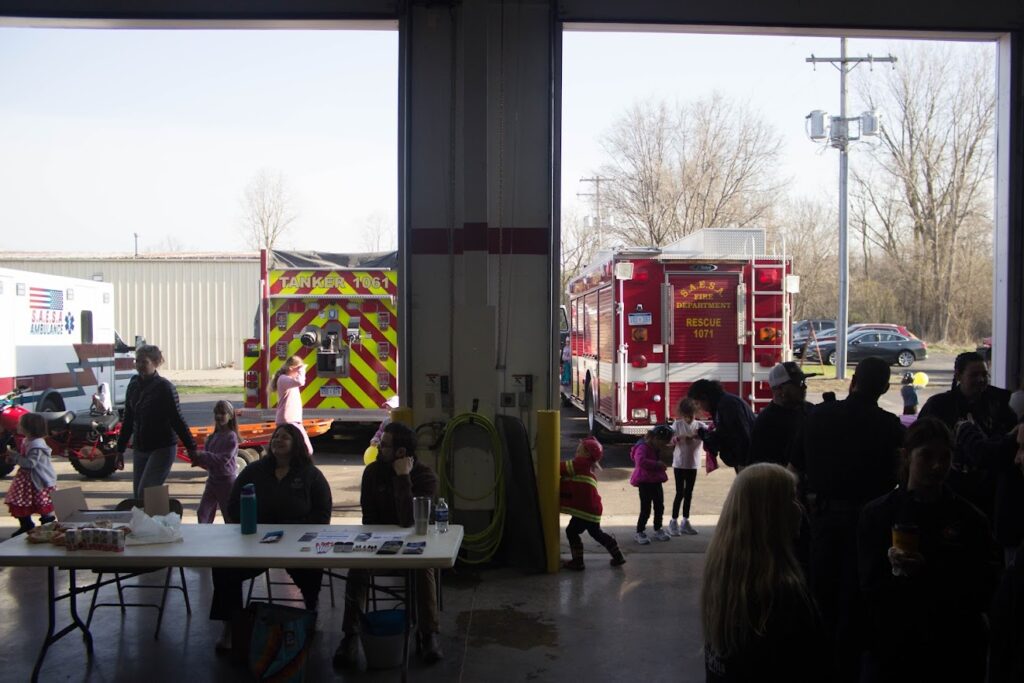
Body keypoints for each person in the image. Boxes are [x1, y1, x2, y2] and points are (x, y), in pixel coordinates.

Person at [857, 418, 1000, 682]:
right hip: (894, 650)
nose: (937, 466)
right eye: (927, 456)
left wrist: (930, 570)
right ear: (906, 456)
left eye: (945, 457)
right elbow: (865, 587)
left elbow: (985, 586)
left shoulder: (970, 520)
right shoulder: (877, 515)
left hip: (951, 649)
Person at [788, 356, 904, 683]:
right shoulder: (889, 426)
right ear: (885, 387)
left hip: (825, 521)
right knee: (863, 602)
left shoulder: (817, 417)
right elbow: (901, 476)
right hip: (872, 525)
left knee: (824, 598)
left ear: (853, 380)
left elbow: (793, 471)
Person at [209, 423, 332, 651]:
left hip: (296, 545)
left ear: (296, 444)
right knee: (224, 567)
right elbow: (233, 505)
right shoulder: (254, 471)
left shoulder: (311, 475)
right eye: (276, 436)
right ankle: (230, 625)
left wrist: (294, 529)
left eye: (285, 437)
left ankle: (310, 610)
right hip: (255, 544)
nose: (278, 440)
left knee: (311, 567)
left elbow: (323, 514)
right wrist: (252, 527)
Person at [702, 463, 829, 682]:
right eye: (791, 499)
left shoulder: (723, 579)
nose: (799, 508)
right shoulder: (783, 593)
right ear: (771, 515)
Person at [334, 422, 443, 669]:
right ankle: (350, 637)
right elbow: (369, 519)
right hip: (378, 545)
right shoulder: (372, 473)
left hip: (413, 544)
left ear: (401, 452)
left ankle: (428, 635)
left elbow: (409, 520)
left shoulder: (425, 477)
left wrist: (403, 478)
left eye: (384, 445)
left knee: (424, 568)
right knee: (356, 569)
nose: (378, 448)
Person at [919, 351, 1023, 563]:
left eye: (984, 374)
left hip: (991, 495)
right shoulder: (939, 406)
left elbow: (1004, 447)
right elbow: (919, 442)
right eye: (974, 375)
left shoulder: (999, 402)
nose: (981, 380)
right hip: (951, 490)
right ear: (958, 375)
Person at [115, 345, 197, 501]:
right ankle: (154, 516)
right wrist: (120, 449)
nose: (139, 365)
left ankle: (161, 515)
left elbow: (177, 420)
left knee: (146, 494)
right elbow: (128, 418)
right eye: (137, 361)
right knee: (139, 497)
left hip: (162, 447)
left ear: (155, 363)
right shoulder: (133, 384)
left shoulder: (165, 388)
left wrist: (191, 448)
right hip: (140, 447)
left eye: (144, 362)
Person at [559, 436, 625, 569]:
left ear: (587, 454)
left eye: (579, 451)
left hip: (584, 511)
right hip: (593, 509)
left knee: (571, 532)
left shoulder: (581, 463)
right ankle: (617, 555)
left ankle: (578, 562)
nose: (576, 453)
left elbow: (561, 468)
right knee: (596, 533)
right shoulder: (589, 467)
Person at [748, 362, 816, 467]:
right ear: (779, 389)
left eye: (803, 382)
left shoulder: (810, 409)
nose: (804, 387)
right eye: (798, 383)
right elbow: (761, 467)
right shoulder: (766, 423)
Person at [5, 413, 57, 536]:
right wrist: (13, 459)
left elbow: (30, 463)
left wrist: (15, 457)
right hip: (26, 480)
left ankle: (47, 526)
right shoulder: (27, 440)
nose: (17, 426)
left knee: (42, 504)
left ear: (29, 428)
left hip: (38, 480)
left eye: (20, 424)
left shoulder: (37, 444)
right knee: (19, 502)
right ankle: (26, 525)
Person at [687, 379, 755, 471]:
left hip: (747, 461)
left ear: (704, 397)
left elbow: (735, 437)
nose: (699, 407)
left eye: (697, 403)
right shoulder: (725, 402)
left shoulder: (727, 406)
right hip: (747, 459)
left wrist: (706, 436)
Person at [190, 400, 239, 524]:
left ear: (230, 416)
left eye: (222, 413)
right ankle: (206, 533)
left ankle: (232, 535)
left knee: (228, 515)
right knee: (203, 513)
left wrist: (202, 455)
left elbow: (223, 459)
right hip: (212, 481)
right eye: (216, 413)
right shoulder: (212, 437)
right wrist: (198, 460)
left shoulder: (231, 436)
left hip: (226, 482)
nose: (219, 416)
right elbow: (208, 460)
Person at [630, 424, 673, 545]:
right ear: (655, 438)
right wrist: (657, 464)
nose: (662, 446)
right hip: (645, 481)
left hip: (656, 480)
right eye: (662, 443)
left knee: (659, 506)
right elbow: (640, 461)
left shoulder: (654, 447)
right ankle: (640, 531)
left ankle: (658, 528)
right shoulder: (642, 447)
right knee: (646, 508)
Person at [668, 398, 706, 536]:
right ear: (682, 414)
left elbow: (710, 435)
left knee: (689, 492)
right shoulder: (677, 424)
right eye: (686, 416)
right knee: (680, 493)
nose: (689, 419)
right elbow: (669, 441)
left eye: (691, 416)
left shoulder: (700, 426)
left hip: (693, 464)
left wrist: (698, 436)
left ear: (695, 413)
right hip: (679, 463)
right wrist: (676, 439)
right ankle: (673, 521)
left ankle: (685, 521)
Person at [273, 354, 313, 456]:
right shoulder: (283, 379)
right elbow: (300, 382)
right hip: (288, 420)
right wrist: (302, 369)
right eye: (298, 369)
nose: (299, 372)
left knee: (300, 449)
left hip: (292, 419)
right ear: (291, 368)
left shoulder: (288, 380)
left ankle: (293, 464)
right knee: (306, 450)